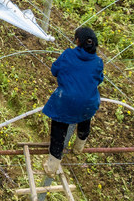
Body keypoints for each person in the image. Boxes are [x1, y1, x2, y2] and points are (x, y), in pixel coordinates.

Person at [42, 26, 103, 177]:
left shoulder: (68, 54)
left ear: (77, 41)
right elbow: (99, 79)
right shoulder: (98, 62)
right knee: (84, 118)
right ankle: (78, 147)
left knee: (59, 130)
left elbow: (54, 70)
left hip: (67, 100)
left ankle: (51, 167)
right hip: (88, 102)